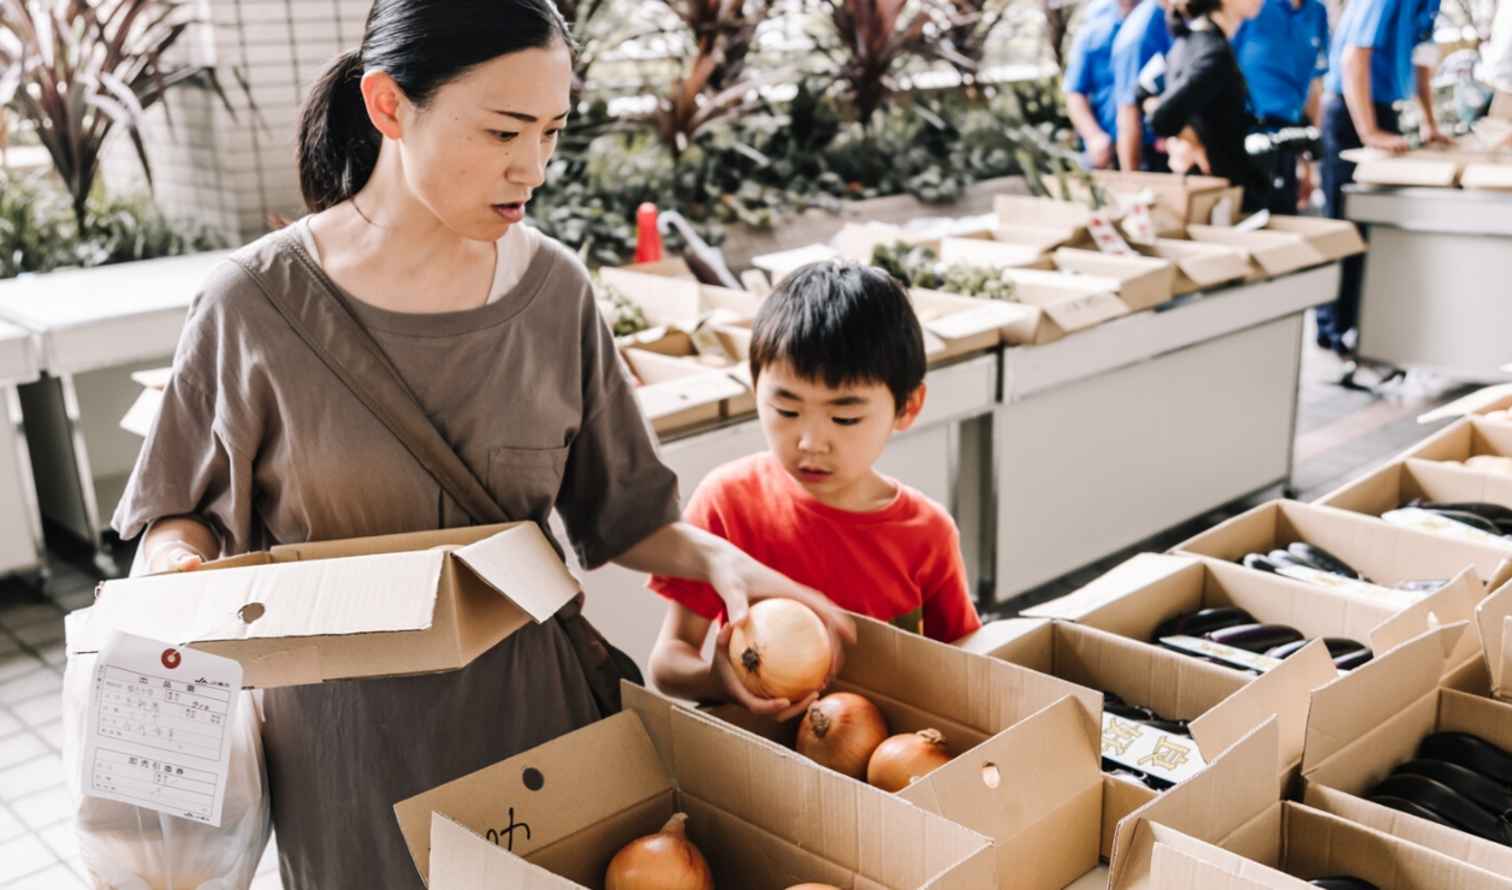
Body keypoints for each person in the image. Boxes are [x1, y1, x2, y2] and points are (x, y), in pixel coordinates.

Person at [112, 2, 855, 888]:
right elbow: (177, 514)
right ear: (388, 106)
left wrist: (724, 568)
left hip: (539, 742)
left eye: (551, 132)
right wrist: (172, 571)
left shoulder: (555, 293)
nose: (533, 167)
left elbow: (621, 518)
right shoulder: (251, 306)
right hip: (349, 765)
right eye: (504, 129)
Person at [647, 262, 984, 719]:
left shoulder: (927, 533)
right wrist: (716, 681)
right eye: (786, 410)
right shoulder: (728, 502)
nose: (810, 442)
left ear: (908, 407)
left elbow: (966, 663)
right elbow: (668, 660)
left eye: (844, 418)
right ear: (755, 389)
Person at [1315, 0, 1446, 354]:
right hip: (1352, 110)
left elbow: (1422, 58)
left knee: (1372, 231)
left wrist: (1429, 122)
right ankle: (1333, 331)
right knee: (1345, 227)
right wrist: (1369, 131)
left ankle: (1362, 329)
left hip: (1384, 109)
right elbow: (1353, 57)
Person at [1145, 0, 1268, 209]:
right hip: (1218, 192)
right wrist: (1190, 136)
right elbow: (1159, 117)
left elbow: (1144, 93)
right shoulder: (1212, 52)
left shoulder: (1188, 40)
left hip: (1215, 187)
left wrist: (1187, 132)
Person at [1231, 0, 1332, 212]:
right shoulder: (1252, 6)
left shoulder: (1317, 13)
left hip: (1290, 140)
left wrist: (1309, 162)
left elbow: (1315, 87)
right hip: (1246, 138)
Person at [1065, 0, 1137, 169]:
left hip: (1154, 146)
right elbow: (1074, 93)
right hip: (1109, 148)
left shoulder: (1159, 14)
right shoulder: (1095, 27)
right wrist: (1094, 136)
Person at [1112, 0, 1175, 171]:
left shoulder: (1179, 16)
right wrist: (1131, 180)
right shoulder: (1140, 35)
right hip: (1157, 155)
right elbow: (1128, 113)